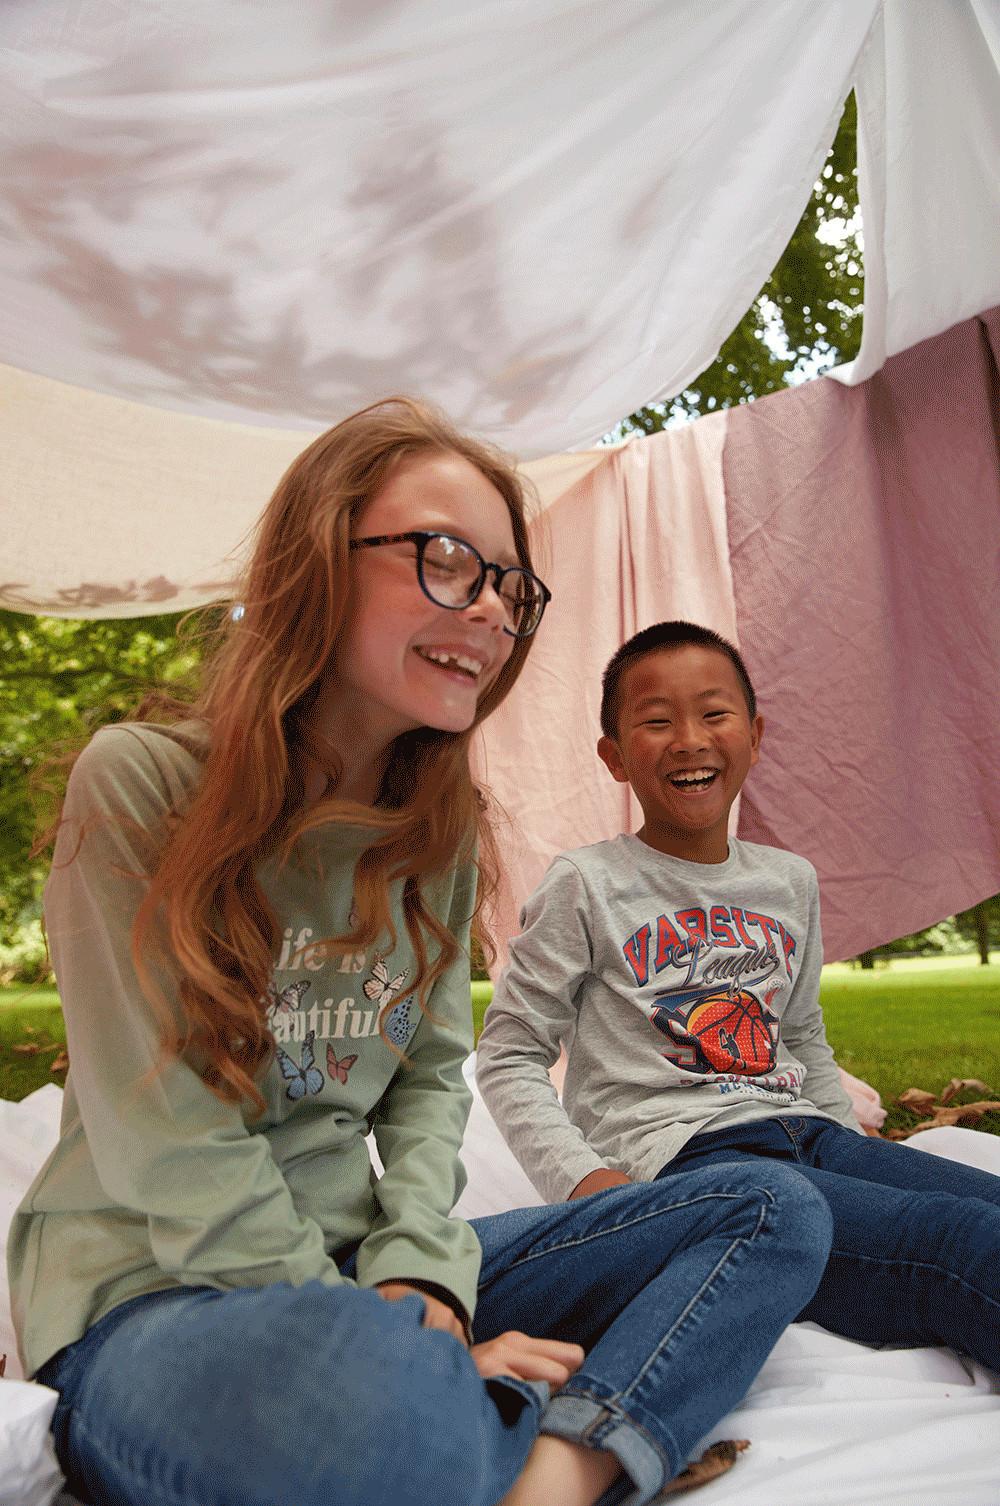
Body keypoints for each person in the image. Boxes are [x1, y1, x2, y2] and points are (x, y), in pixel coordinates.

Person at [8, 414, 834, 1506]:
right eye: (446, 560)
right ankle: (488, 1426)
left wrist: (417, 1276)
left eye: (510, 584)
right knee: (364, 1398)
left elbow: (431, 1087)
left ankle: (563, 1462)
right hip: (156, 1294)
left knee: (770, 1208)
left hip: (367, 1281)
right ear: (319, 557)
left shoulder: (434, 833)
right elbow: (167, 1132)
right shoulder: (139, 786)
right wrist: (405, 1338)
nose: (492, 606)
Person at [477, 619, 1000, 1374]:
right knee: (963, 1247)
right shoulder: (586, 884)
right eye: (656, 721)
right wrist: (589, 1183)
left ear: (754, 735)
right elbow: (509, 1056)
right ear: (614, 756)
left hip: (807, 1135)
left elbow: (804, 1037)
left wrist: (853, 1150)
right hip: (697, 1171)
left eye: (714, 713)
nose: (689, 738)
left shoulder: (789, 881)